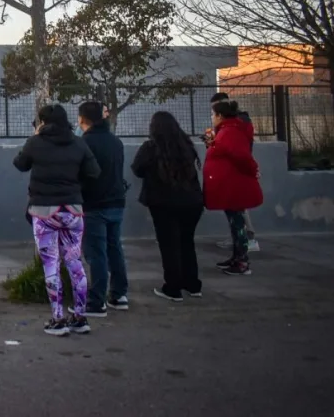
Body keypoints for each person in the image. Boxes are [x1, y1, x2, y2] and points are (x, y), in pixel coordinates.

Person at [14, 104, 101, 336]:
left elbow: (20, 164)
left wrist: (35, 139)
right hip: (73, 210)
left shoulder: (36, 142)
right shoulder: (78, 142)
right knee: (75, 263)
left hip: (44, 212)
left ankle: (57, 319)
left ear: (42, 122)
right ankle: (80, 318)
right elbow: (94, 172)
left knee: (51, 264)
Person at [132, 111, 205, 301]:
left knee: (169, 246)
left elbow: (137, 169)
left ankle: (172, 288)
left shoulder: (150, 148)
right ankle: (193, 284)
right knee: (187, 242)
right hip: (192, 202)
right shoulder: (186, 146)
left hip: (163, 202)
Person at [77, 101, 128, 318]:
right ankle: (119, 294)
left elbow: (82, 174)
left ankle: (96, 301)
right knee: (114, 248)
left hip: (93, 204)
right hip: (116, 201)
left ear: (82, 119)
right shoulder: (116, 141)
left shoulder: (84, 143)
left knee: (96, 253)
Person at [204, 99, 263, 276]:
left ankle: (242, 261)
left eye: (213, 115)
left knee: (238, 224)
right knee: (234, 222)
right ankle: (237, 257)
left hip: (233, 185)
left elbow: (241, 156)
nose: (212, 118)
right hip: (229, 184)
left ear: (220, 116)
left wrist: (254, 170)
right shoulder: (226, 131)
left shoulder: (229, 132)